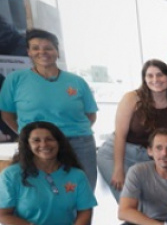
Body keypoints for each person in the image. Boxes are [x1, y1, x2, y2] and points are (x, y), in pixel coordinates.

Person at [1, 29, 99, 190]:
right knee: (40, 191)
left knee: (82, 191)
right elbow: (7, 114)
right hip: (37, 145)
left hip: (78, 143)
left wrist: (73, 130)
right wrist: (26, 135)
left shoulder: (77, 81)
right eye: (36, 48)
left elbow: (91, 115)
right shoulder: (15, 80)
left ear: (57, 51)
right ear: (29, 52)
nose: (42, 52)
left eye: (48, 47)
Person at [97, 60, 167, 202]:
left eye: (159, 75)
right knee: (129, 203)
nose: (155, 80)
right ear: (144, 79)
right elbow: (120, 135)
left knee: (151, 204)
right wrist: (118, 169)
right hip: (118, 154)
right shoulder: (132, 98)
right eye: (149, 76)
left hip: (150, 158)